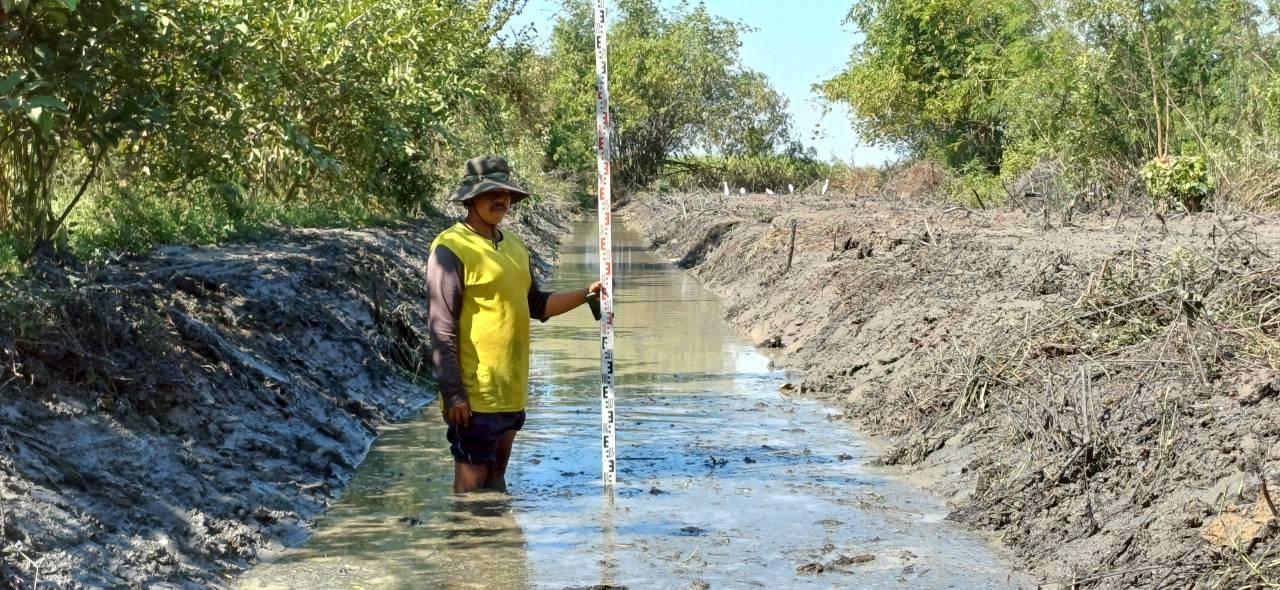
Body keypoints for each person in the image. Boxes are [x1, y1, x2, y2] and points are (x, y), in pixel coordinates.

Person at [426, 155, 601, 493]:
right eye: (491, 192)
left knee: (496, 480)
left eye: (505, 193)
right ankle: (464, 543)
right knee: (471, 488)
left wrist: (586, 294)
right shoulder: (450, 248)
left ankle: (500, 544)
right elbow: (441, 326)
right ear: (470, 198)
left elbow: (535, 304)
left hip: (512, 389)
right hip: (475, 396)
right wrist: (453, 394)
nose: (500, 199)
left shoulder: (516, 247)